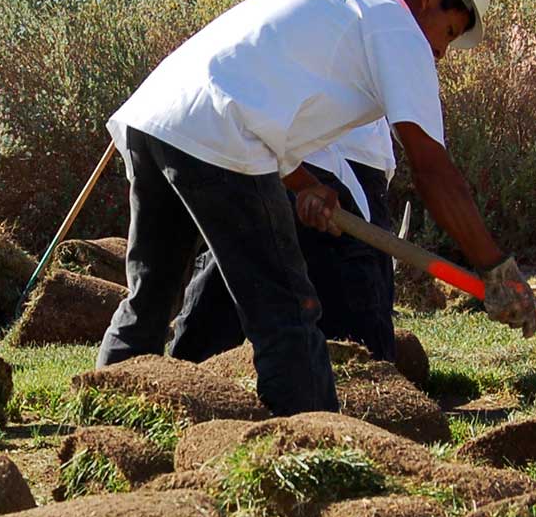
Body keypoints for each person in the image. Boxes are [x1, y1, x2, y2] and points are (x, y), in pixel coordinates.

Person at [97, 0, 536, 416]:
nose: (441, 53)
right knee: (287, 312)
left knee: (150, 300)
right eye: (450, 33)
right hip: (220, 134)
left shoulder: (337, 1)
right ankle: (317, 449)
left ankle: (105, 426)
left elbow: (256, 98)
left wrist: (306, 184)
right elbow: (432, 168)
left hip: (157, 120)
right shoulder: (397, 25)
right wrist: (495, 269)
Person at [170, 119, 401, 363]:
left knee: (356, 352)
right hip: (272, 147)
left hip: (310, 151)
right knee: (228, 274)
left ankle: (185, 374)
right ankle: (184, 380)